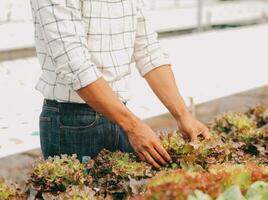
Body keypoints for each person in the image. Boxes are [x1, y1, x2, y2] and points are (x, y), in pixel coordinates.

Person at [30, 0, 209, 169]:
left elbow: (148, 50)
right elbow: (74, 64)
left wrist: (183, 115)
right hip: (73, 122)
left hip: (120, 115)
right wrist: (132, 125)